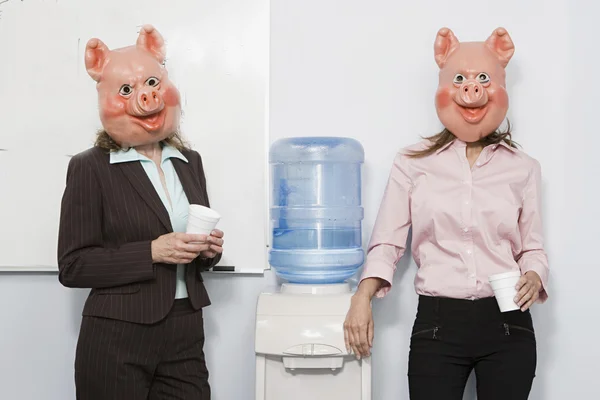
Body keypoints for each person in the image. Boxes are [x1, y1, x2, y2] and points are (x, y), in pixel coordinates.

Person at [344, 27, 549, 400]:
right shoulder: (412, 163)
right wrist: (362, 297)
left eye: (483, 79)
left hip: (507, 323)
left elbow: (532, 247)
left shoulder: (524, 167)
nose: (472, 89)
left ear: (499, 87)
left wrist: (534, 275)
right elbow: (388, 242)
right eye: (461, 79)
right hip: (438, 325)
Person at [57, 25, 223, 400]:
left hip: (184, 330)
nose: (145, 97)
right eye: (127, 91)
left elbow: (195, 250)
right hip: (117, 334)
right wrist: (152, 251)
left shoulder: (189, 162)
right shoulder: (91, 167)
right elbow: (73, 266)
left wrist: (209, 251)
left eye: (151, 83)